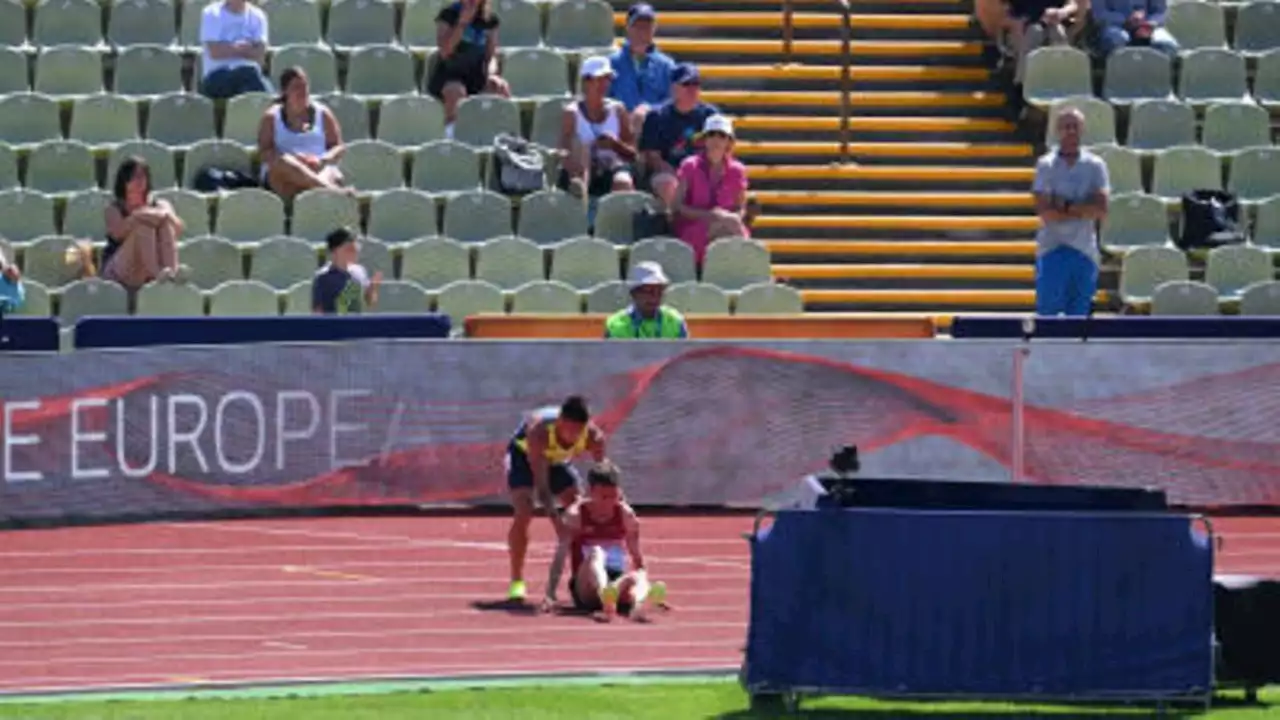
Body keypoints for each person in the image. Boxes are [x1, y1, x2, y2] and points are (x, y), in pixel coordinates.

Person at [506, 396, 607, 603]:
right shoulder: (539, 433)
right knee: (524, 510)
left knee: (579, 510)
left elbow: (604, 477)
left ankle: (583, 579)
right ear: (560, 421)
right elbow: (543, 489)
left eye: (578, 432)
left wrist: (606, 506)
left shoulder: (594, 438)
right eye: (569, 430)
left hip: (557, 460)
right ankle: (516, 581)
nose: (572, 437)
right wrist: (558, 525)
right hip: (525, 458)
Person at [563, 461, 667, 622]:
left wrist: (643, 582)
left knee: (635, 576)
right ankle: (606, 597)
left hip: (615, 581)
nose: (609, 502)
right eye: (604, 497)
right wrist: (549, 593)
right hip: (586, 584)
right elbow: (560, 554)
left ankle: (639, 606)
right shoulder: (576, 515)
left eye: (614, 496)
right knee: (597, 552)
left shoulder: (626, 516)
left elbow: (637, 559)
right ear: (591, 492)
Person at [1034, 107, 1109, 317]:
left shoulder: (1095, 165)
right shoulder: (1046, 165)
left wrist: (1064, 205)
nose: (1071, 131)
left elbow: (1101, 210)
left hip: (1084, 250)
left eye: (1075, 127)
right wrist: (1082, 208)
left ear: (1082, 130)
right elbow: (1045, 211)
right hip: (1052, 248)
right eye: (1066, 127)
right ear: (1058, 130)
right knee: (1047, 316)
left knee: (1079, 317)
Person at [257, 66, 349, 201]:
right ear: (285, 91)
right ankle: (331, 192)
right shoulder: (271, 117)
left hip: (318, 166)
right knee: (283, 162)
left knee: (331, 172)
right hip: (286, 173)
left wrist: (322, 160)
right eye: (296, 87)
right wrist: (297, 162)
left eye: (304, 86)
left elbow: (338, 147)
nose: (302, 91)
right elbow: (265, 152)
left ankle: (322, 189)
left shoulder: (322, 113)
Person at [672, 115, 750, 267]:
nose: (716, 139)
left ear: (728, 141)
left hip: (726, 225)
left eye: (721, 135)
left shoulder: (737, 170)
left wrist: (729, 218)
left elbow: (741, 207)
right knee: (730, 233)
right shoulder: (689, 165)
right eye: (711, 134)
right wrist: (709, 215)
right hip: (693, 226)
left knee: (732, 227)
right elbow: (677, 207)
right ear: (704, 139)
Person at [638, 63, 719, 209]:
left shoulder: (710, 115)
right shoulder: (657, 116)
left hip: (702, 172)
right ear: (674, 88)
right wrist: (682, 177)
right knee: (667, 183)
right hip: (668, 173)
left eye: (696, 84)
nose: (692, 89)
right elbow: (653, 157)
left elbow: (720, 150)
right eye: (686, 84)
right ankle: (678, 224)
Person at [427, 0, 512, 138]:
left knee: (501, 88)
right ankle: (452, 136)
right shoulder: (448, 15)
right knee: (456, 91)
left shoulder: (490, 20)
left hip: (476, 75)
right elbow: (445, 51)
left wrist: (492, 74)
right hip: (450, 75)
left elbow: (491, 57)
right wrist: (462, 23)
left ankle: (495, 137)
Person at [102, 156, 187, 291]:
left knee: (166, 225)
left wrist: (165, 215)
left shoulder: (160, 204)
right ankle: (158, 274)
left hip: (145, 270)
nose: (139, 181)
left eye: (142, 176)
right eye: (134, 176)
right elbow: (118, 233)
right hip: (121, 269)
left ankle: (172, 272)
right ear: (124, 180)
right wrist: (138, 216)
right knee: (143, 228)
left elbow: (178, 228)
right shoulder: (114, 209)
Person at [559, 56, 637, 201]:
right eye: (598, 79)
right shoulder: (572, 113)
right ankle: (581, 193)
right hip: (581, 169)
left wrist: (615, 145)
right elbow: (564, 152)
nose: (603, 84)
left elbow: (632, 154)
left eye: (606, 79)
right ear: (586, 82)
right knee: (582, 150)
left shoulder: (618, 110)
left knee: (623, 181)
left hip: (612, 168)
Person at [607, 3, 676, 136]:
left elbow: (674, 102)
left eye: (647, 26)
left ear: (654, 29)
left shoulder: (666, 65)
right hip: (619, 133)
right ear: (628, 28)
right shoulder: (611, 63)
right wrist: (622, 114)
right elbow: (603, 99)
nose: (643, 31)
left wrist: (650, 109)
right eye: (638, 26)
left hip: (655, 134)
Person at [198, 0, 272, 99]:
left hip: (249, 75)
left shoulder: (258, 16)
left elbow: (260, 55)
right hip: (217, 76)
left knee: (250, 77)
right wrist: (244, 49)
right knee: (249, 77)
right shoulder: (212, 13)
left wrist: (229, 48)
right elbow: (215, 51)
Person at [604, 261, 689, 339]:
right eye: (649, 291)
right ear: (634, 293)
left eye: (659, 291)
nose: (654, 297)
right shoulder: (616, 324)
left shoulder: (675, 321)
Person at [313, 227, 382, 314]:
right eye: (349, 248)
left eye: (355, 246)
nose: (355, 250)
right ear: (335, 250)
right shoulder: (322, 277)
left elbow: (370, 302)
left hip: (356, 325)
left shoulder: (360, 271)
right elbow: (318, 312)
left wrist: (373, 289)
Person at [1093, 0, 1178, 58]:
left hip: (1148, 26)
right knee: (1117, 40)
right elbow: (1099, 13)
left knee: (1167, 44)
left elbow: (1160, 12)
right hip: (1116, 26)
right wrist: (1126, 20)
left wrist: (1148, 24)